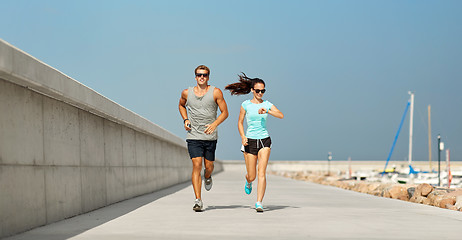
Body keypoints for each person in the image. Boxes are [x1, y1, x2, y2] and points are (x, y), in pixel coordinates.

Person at [225, 73, 284, 212]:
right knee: (252, 175)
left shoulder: (267, 104)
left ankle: (259, 202)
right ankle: (248, 181)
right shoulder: (245, 105)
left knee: (262, 172)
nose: (260, 93)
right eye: (257, 90)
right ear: (252, 90)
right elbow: (239, 122)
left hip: (264, 140)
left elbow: (281, 115)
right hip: (249, 141)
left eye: (263, 91)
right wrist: (242, 136)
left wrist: (268, 111)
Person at [178, 65, 229, 212]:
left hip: (210, 137)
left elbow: (225, 112)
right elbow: (181, 106)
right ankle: (198, 200)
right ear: (195, 76)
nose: (202, 77)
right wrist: (185, 120)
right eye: (199, 75)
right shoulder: (186, 93)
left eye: (205, 75)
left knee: (209, 167)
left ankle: (208, 176)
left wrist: (214, 124)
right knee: (197, 165)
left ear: (208, 77)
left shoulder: (216, 92)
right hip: (193, 136)